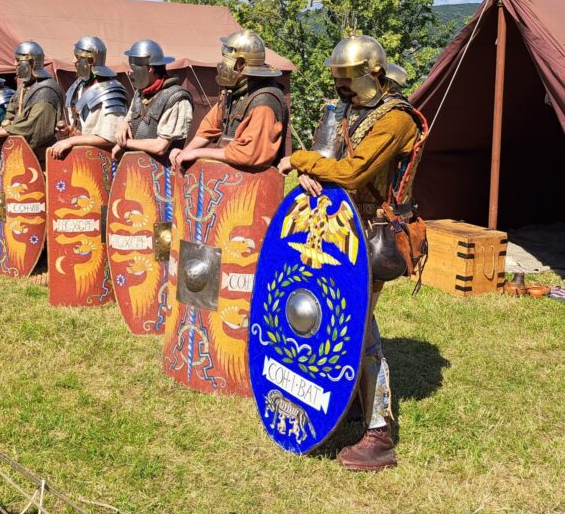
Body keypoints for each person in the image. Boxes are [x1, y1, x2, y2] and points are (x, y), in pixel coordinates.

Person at [277, 34, 425, 473]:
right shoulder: (350, 110)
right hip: (338, 229)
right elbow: (329, 162)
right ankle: (353, 405)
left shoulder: (395, 120)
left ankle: (378, 434)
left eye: (348, 78)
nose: (341, 87)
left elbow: (353, 172)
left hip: (374, 233)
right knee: (342, 320)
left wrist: (305, 161)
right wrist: (311, 176)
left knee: (359, 329)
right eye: (337, 78)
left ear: (373, 74)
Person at [171, 31, 285, 171]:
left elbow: (249, 153)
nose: (222, 63)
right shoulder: (234, 92)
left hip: (254, 185)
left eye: (226, 58)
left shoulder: (264, 100)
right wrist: (186, 152)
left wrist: (197, 153)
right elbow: (209, 129)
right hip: (230, 180)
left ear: (241, 63)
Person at [0, 41, 62, 162]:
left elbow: (34, 127)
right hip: (21, 153)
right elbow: (11, 114)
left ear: (30, 62)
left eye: (18, 60)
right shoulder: (25, 86)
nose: (14, 63)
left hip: (39, 159)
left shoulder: (46, 90)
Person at [48, 36, 128, 160]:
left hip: (103, 161)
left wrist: (72, 141)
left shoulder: (111, 91)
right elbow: (87, 129)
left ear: (90, 60)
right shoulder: (78, 86)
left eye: (78, 57)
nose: (73, 60)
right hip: (82, 158)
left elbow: (111, 136)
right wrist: (71, 130)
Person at [113, 39, 192, 158]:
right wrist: (124, 123)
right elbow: (130, 119)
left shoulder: (177, 99)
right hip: (135, 167)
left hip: (163, 172)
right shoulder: (140, 93)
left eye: (133, 68)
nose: (129, 72)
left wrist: (125, 143)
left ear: (149, 68)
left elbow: (160, 146)